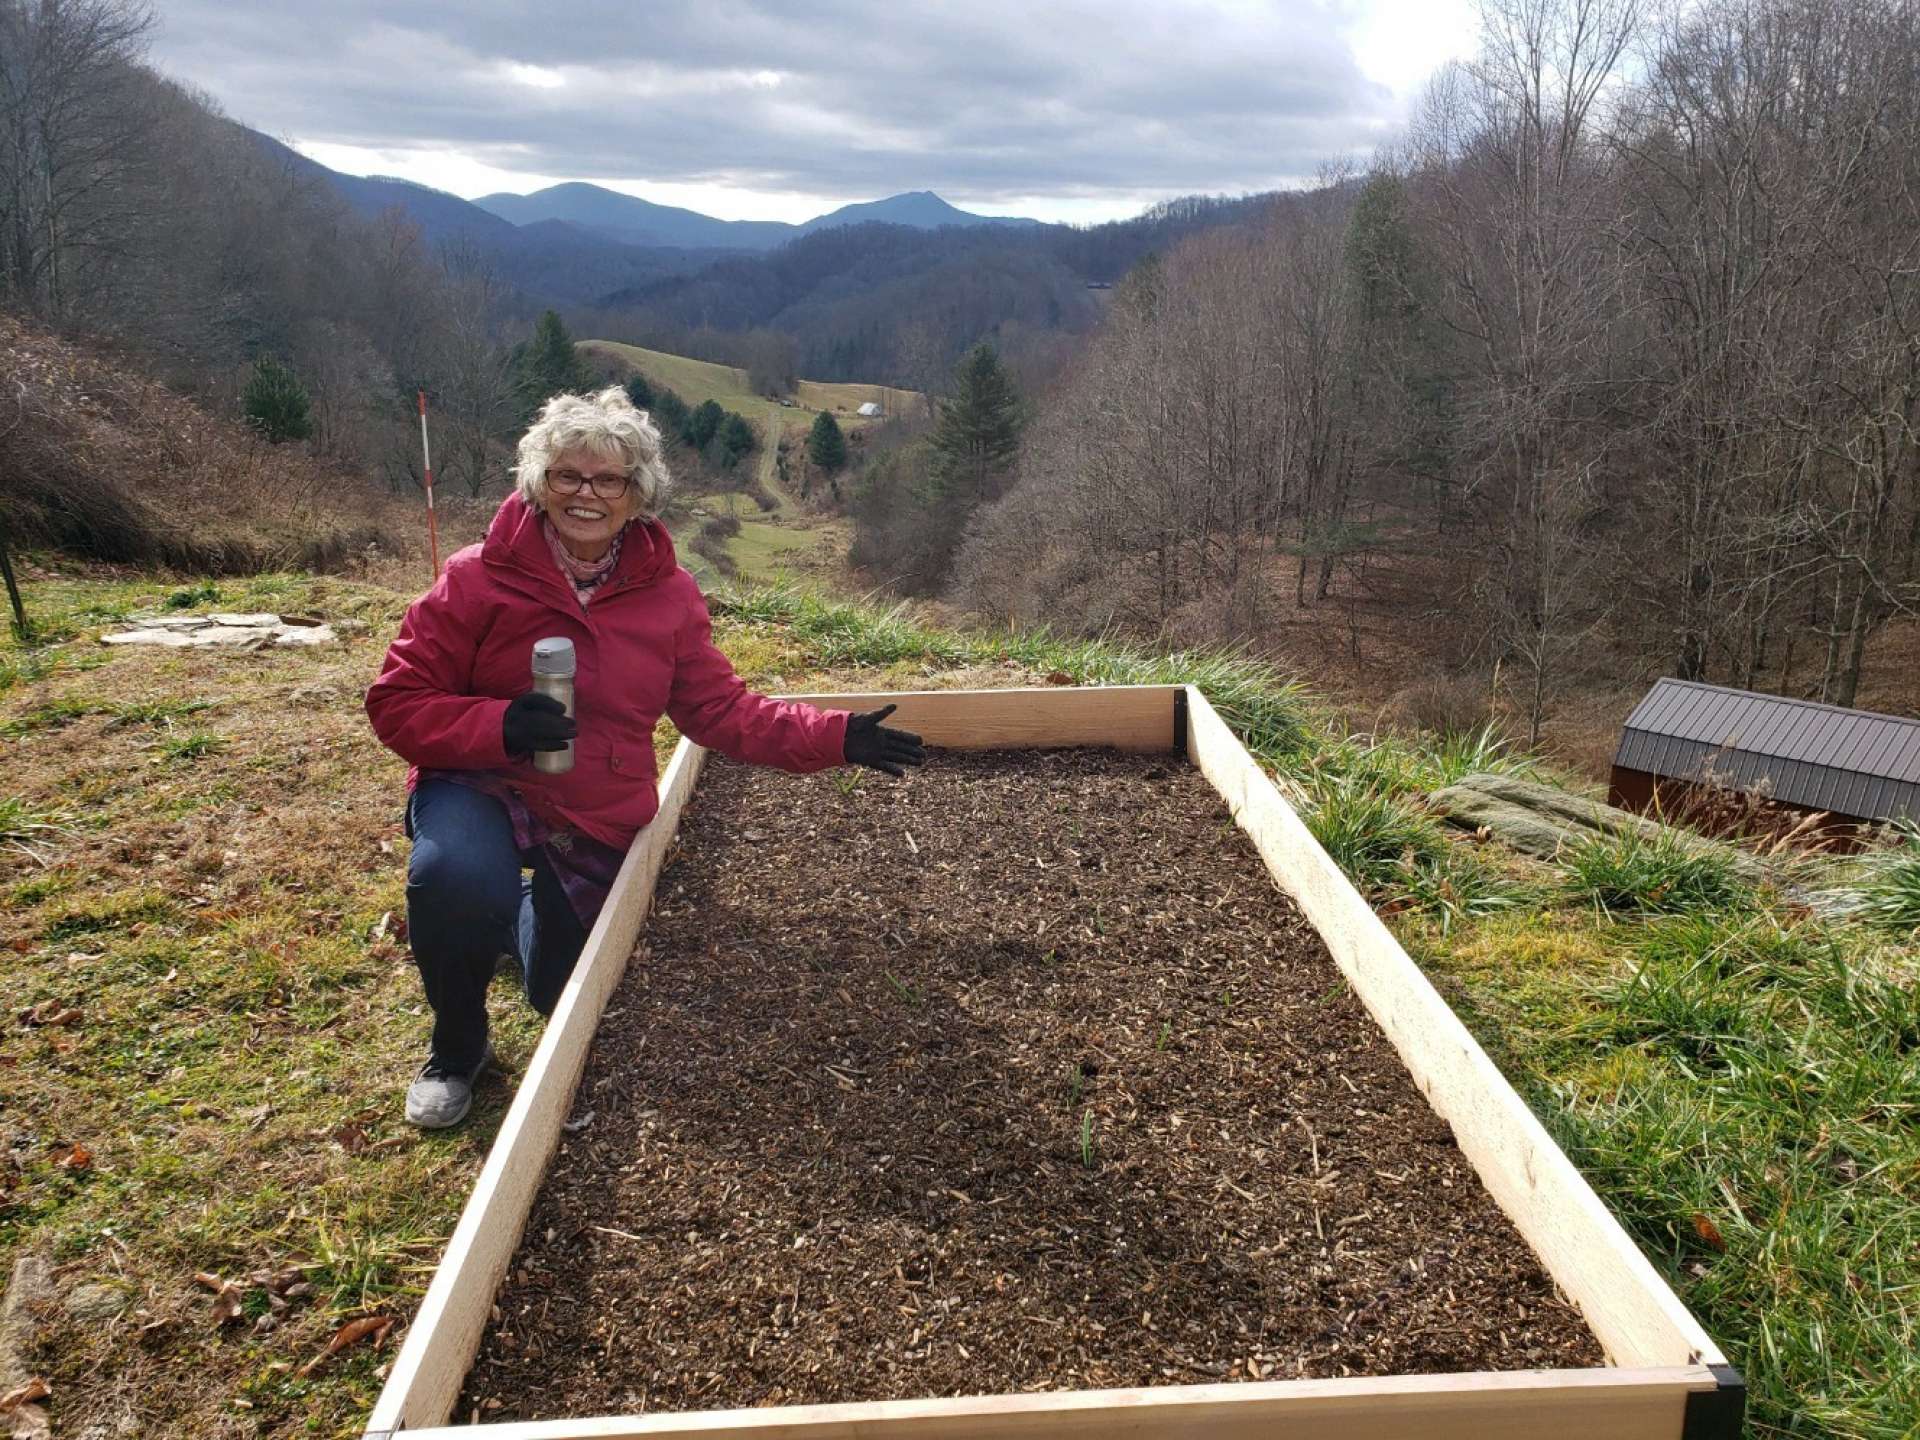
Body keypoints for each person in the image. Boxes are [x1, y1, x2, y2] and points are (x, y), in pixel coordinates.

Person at [366, 387, 925, 1128]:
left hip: (591, 800)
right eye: (567, 475)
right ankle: (458, 1043)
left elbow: (720, 711)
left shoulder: (670, 596)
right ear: (538, 482)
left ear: (639, 495)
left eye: (610, 480)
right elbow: (397, 701)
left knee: (558, 991)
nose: (586, 494)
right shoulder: (475, 578)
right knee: (456, 878)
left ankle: (511, 925)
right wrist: (500, 725)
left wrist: (832, 737)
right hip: (482, 780)